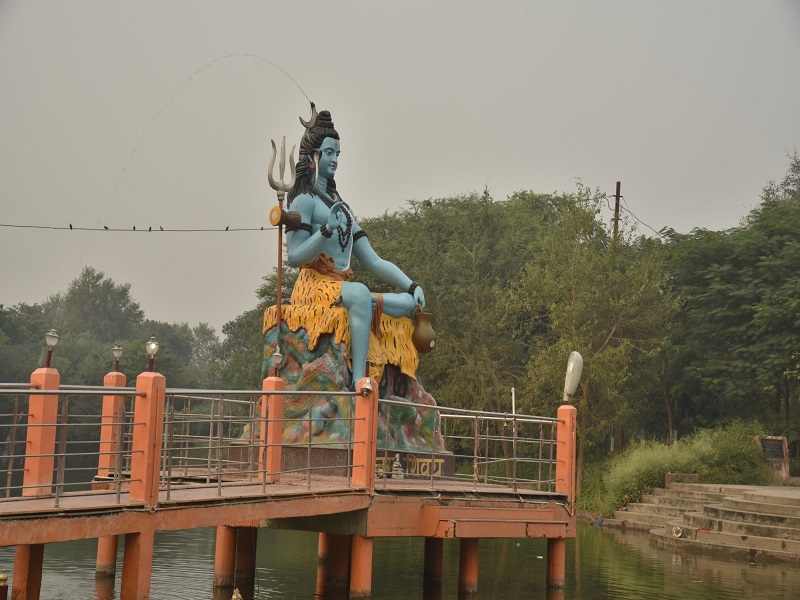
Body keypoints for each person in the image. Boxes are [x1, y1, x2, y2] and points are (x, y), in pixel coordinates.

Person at [263, 108, 426, 385]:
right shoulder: (304, 201)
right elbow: (296, 257)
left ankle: (374, 305)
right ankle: (359, 380)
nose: (335, 160)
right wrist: (325, 231)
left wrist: (411, 285)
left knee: (408, 304)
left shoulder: (343, 208)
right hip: (314, 286)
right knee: (360, 294)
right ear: (313, 158)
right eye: (329, 153)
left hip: (341, 288)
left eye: (338, 154)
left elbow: (373, 261)